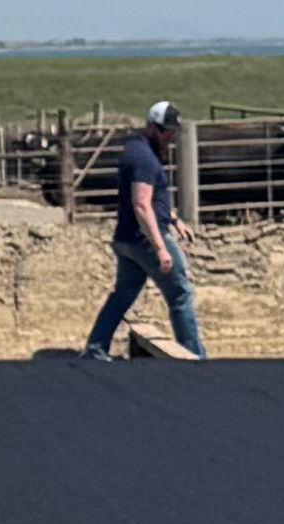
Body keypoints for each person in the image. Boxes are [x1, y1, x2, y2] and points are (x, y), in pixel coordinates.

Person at [85, 96, 205, 359]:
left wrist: (173, 219)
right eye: (163, 131)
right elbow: (141, 205)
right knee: (180, 293)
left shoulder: (135, 149)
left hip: (127, 238)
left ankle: (95, 348)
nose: (167, 137)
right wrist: (160, 248)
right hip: (145, 240)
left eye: (170, 132)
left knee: (122, 295)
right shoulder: (144, 160)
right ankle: (193, 357)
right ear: (151, 126)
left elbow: (152, 199)